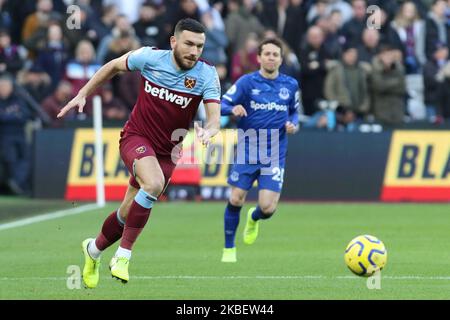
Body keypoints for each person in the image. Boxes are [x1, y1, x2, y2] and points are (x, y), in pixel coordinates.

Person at [57, 18, 221, 287]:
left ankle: (93, 250)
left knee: (126, 213)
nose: (194, 51)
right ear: (174, 41)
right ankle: (123, 256)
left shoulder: (206, 74)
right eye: (189, 44)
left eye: (200, 46)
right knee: (153, 184)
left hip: (168, 152)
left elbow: (214, 117)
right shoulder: (149, 58)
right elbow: (112, 67)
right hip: (136, 137)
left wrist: (210, 130)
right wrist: (83, 93)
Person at [220, 38, 300, 263]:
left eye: (275, 54)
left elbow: (294, 111)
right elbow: (221, 103)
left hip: (275, 151)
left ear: (281, 59)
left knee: (267, 207)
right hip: (248, 146)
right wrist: (232, 108)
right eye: (267, 54)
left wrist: (293, 124)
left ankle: (253, 218)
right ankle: (229, 249)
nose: (271, 58)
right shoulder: (246, 82)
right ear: (259, 57)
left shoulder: (290, 85)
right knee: (236, 198)